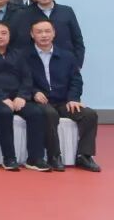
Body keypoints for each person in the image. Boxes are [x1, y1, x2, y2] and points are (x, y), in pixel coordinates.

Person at [26, 19, 100, 172]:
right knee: (49, 114)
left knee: (89, 115)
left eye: (47, 31)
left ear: (54, 33)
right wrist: (34, 92)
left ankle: (84, 156)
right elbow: (21, 80)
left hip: (63, 101)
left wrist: (73, 98)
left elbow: (76, 80)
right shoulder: (25, 56)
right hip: (40, 101)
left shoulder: (67, 56)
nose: (44, 35)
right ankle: (54, 156)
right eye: (39, 32)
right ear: (32, 34)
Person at [0, 21, 44, 171]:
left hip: (18, 97)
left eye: (4, 33)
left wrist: (22, 96)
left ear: (9, 35)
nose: (0, 36)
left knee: (36, 113)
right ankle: (9, 158)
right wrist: (2, 97)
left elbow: (27, 77)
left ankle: (35, 158)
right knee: (5, 112)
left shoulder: (18, 54)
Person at [11, 0, 85, 65]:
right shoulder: (24, 14)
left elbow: (77, 39)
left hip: (65, 63)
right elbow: (20, 42)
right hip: (35, 64)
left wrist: (77, 64)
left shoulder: (67, 11)